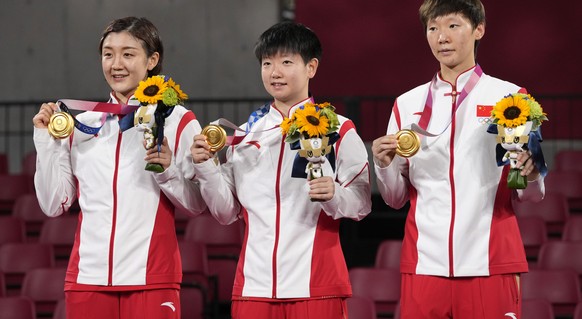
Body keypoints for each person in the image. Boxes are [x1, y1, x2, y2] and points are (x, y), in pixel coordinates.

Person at [372, 0, 546, 318]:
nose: (441, 37)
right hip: (424, 261)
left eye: (453, 25)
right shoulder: (406, 104)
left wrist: (532, 172)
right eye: (433, 27)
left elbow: (533, 195)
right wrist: (384, 167)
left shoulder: (510, 98)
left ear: (478, 29)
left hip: (490, 258)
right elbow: (395, 198)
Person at [190, 21, 372, 319]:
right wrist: (206, 166)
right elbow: (225, 212)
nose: (275, 72)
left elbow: (362, 204)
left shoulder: (339, 129)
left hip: (317, 286)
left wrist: (335, 194)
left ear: (311, 67)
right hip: (254, 290)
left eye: (286, 62)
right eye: (267, 63)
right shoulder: (245, 135)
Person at [32, 16, 206, 318]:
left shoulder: (178, 120)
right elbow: (53, 204)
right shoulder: (84, 125)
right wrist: (46, 143)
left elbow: (197, 204)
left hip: (152, 278)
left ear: (152, 60)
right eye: (108, 53)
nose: (116, 63)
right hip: (87, 279)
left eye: (128, 53)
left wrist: (168, 172)